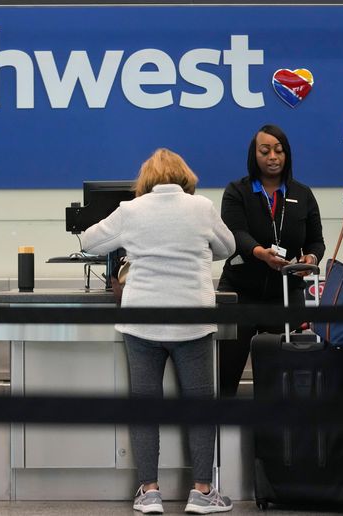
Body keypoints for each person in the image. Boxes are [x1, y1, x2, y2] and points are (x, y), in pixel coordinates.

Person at [81, 148, 236, 514]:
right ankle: (202, 491)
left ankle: (149, 491)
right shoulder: (202, 208)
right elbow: (227, 247)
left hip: (142, 321)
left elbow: (88, 241)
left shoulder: (130, 211)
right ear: (185, 177)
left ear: (146, 180)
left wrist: (129, 243)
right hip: (192, 320)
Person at [217, 125, 325, 397]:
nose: (273, 156)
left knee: (283, 382)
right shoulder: (237, 191)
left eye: (279, 150)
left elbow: (315, 241)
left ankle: (277, 436)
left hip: (285, 296)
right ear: (254, 155)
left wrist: (310, 257)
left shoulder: (303, 194)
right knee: (226, 375)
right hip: (241, 293)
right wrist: (259, 253)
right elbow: (235, 233)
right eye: (265, 151)